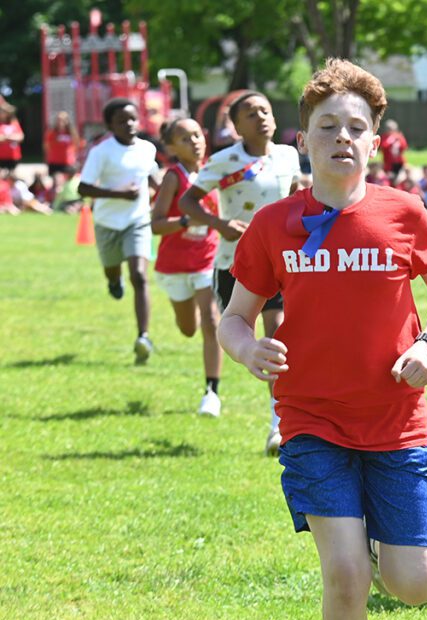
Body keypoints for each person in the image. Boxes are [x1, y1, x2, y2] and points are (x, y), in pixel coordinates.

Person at [217, 58, 427, 620]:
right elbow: (233, 316)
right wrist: (247, 350)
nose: (341, 138)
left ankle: (384, 549)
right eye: (327, 126)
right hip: (311, 419)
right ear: (304, 140)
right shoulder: (275, 225)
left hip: (397, 421)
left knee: (417, 585)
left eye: (355, 126)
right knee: (346, 575)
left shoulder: (404, 211)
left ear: (375, 141)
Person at [179, 90, 301, 454]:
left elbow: (293, 195)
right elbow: (188, 201)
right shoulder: (223, 161)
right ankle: (213, 390)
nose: (261, 116)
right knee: (237, 337)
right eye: (250, 113)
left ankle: (278, 426)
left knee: (276, 338)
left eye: (265, 110)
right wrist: (219, 223)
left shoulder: (288, 154)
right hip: (234, 263)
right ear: (235, 126)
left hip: (280, 262)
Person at [78, 98, 161, 364]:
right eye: (122, 120)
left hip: (137, 220)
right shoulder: (101, 151)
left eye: (133, 118)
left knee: (139, 275)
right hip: (106, 223)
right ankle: (113, 280)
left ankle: (143, 337)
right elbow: (84, 188)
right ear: (110, 125)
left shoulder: (147, 148)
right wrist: (118, 194)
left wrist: (163, 190)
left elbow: (153, 177)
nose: (129, 124)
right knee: (113, 269)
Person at [151, 117, 224, 417]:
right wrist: (184, 221)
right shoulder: (173, 177)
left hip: (208, 258)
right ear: (171, 147)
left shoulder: (215, 172)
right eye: (184, 138)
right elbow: (155, 225)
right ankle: (189, 309)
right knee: (188, 328)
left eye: (197, 134)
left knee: (211, 320)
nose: (194, 141)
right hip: (174, 265)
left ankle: (211, 394)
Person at [44, 111, 80, 194]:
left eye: (63, 120)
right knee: (57, 183)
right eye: (59, 120)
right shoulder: (52, 133)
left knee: (68, 183)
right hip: (55, 161)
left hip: (68, 162)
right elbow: (47, 146)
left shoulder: (71, 133)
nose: (61, 122)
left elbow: (76, 144)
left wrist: (73, 155)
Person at [0, 102, 24, 174]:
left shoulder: (14, 123)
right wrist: (11, 137)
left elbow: (20, 137)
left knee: (12, 176)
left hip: (14, 156)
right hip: (1, 156)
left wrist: (6, 137)